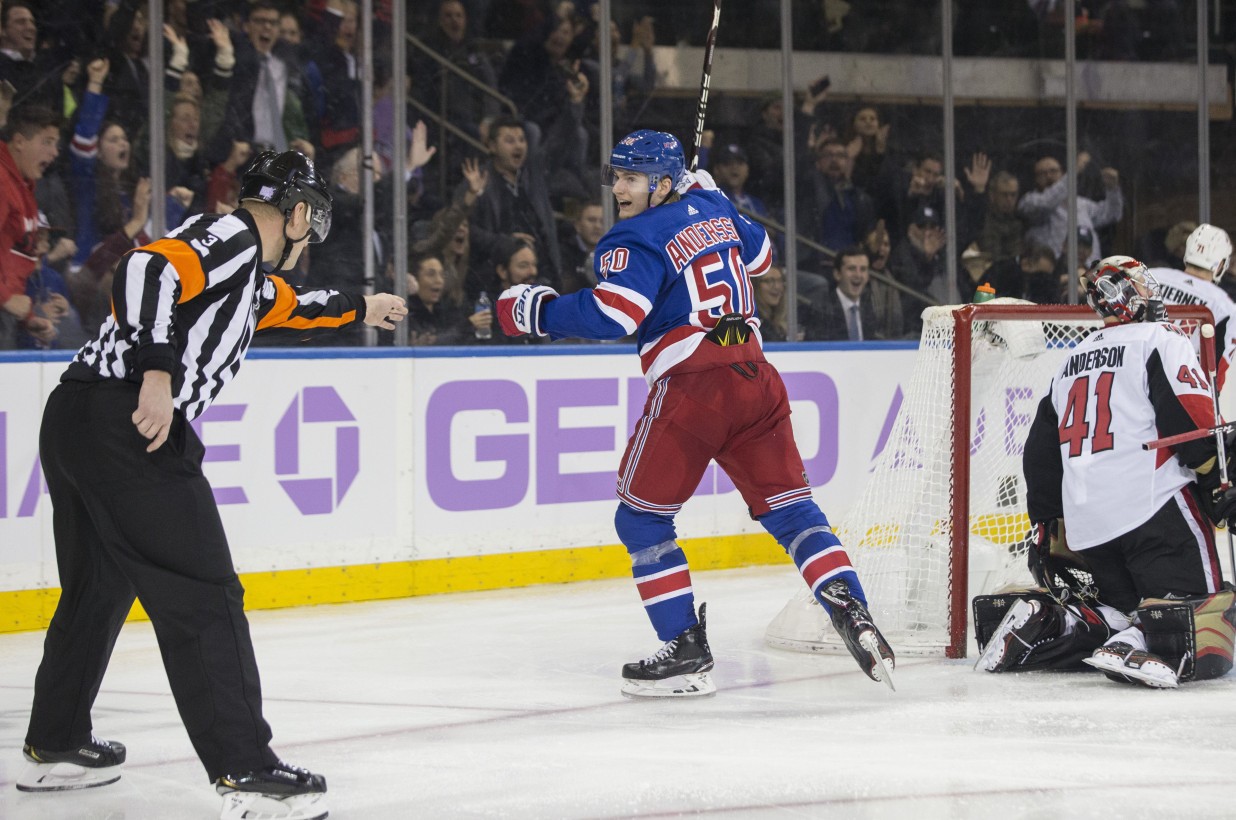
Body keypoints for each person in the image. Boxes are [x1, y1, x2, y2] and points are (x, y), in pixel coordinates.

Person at [18, 149, 408, 818]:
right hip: (126, 420)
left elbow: (290, 305)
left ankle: (56, 743)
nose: (311, 233)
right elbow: (146, 267)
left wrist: (362, 305)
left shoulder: (241, 273)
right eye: (309, 217)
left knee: (98, 589)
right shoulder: (229, 236)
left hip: (79, 414)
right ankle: (245, 772)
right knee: (204, 593)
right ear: (291, 212)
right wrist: (159, 373)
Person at [495, 129, 894, 697]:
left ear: (662, 183)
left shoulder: (632, 235)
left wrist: (536, 312)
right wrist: (717, 199)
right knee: (793, 511)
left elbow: (617, 314)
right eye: (616, 176)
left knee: (640, 519)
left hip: (694, 389)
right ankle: (850, 606)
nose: (619, 189)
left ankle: (683, 645)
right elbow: (761, 255)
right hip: (757, 380)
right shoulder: (710, 203)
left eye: (632, 178)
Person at [977, 255, 1232, 689]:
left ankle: (1065, 623)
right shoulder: (1161, 338)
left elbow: (1040, 452)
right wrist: (1217, 484)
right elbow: (1193, 428)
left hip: (1090, 530)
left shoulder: (1073, 357)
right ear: (1129, 295)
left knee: (1123, 606)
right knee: (1205, 613)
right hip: (1154, 511)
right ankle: (1142, 639)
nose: (1154, 294)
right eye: (1144, 286)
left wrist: (1046, 524)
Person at [1145, 223, 1236, 391]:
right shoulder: (1224, 305)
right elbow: (1218, 370)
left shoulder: (1152, 276)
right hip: (1181, 388)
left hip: (1135, 373)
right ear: (1220, 264)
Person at [0, 104, 59, 350]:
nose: (54, 152)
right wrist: (5, 299)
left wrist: (28, 318)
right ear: (19, 141)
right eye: (46, 142)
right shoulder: (2, 182)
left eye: (56, 144)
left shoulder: (23, 188)